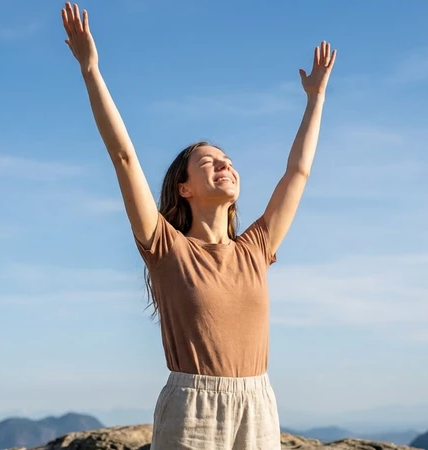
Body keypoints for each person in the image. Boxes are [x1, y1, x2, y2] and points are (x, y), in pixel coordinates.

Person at [61, 3, 336, 449]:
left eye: (228, 160)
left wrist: (316, 99)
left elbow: (298, 173)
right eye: (208, 162)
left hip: (258, 404)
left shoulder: (256, 248)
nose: (224, 164)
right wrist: (90, 69)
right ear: (184, 188)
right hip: (192, 410)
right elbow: (124, 156)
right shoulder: (165, 247)